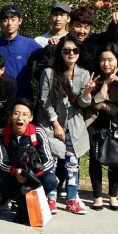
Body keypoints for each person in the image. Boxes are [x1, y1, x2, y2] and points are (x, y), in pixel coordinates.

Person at [37, 34, 94, 214]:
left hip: (74, 124)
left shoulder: (84, 73)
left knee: (72, 163)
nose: (71, 53)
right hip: (51, 123)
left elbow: (83, 104)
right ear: (60, 52)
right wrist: (55, 123)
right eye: (67, 50)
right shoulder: (49, 73)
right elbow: (44, 100)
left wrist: (88, 92)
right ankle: (51, 198)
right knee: (52, 161)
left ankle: (71, 199)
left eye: (75, 50)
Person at [0, 98, 58, 224]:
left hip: (33, 174)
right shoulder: (0, 133)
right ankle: (6, 200)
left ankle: (37, 199)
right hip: (11, 174)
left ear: (31, 117)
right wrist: (15, 171)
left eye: (24, 114)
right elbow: (1, 161)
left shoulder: (38, 132)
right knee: (0, 181)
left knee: (51, 180)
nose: (20, 118)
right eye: (16, 113)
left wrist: (33, 174)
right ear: (11, 116)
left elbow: (49, 161)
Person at [85, 43, 118, 211]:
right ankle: (97, 196)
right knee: (95, 159)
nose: (106, 64)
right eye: (102, 60)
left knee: (114, 159)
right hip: (94, 123)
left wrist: (103, 104)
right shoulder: (94, 78)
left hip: (115, 124)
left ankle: (113, 197)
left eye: (110, 60)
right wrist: (105, 84)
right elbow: (94, 104)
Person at [0, 4, 42, 100]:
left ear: (20, 21)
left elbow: (48, 59)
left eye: (13, 19)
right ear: (1, 22)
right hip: (0, 99)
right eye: (5, 20)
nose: (9, 23)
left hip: (23, 98)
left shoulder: (29, 44)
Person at [70, 6, 118, 71]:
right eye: (78, 26)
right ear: (70, 25)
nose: (82, 31)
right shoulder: (63, 42)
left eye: (86, 27)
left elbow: (113, 35)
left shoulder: (96, 41)